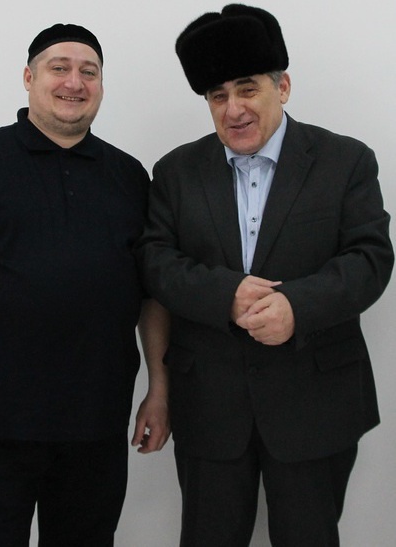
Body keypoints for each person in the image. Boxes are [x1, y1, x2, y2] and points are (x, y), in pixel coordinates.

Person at [135, 4, 393, 546]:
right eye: (218, 96)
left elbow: (370, 258)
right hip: (209, 406)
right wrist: (224, 295)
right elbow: (155, 261)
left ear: (284, 86)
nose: (233, 109)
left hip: (315, 403)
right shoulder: (176, 171)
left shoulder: (345, 160)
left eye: (247, 89)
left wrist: (298, 305)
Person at [0, 23, 170, 546]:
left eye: (89, 72)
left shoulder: (128, 176)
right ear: (29, 78)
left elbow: (151, 296)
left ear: (100, 85)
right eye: (59, 68)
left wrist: (160, 390)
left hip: (98, 420)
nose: (74, 82)